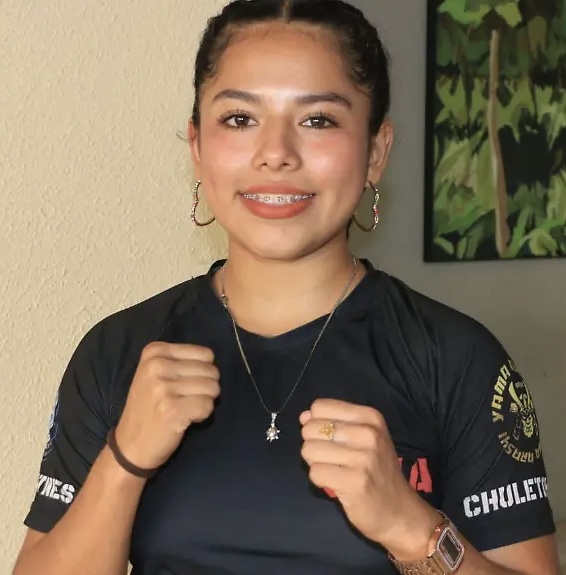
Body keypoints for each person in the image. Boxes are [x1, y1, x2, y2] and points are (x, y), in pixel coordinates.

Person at [12, 1, 561, 574]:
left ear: (375, 152)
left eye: (318, 120)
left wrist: (410, 526)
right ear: (197, 146)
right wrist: (124, 459)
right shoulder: (119, 351)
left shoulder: (456, 358)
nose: (276, 153)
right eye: (239, 119)